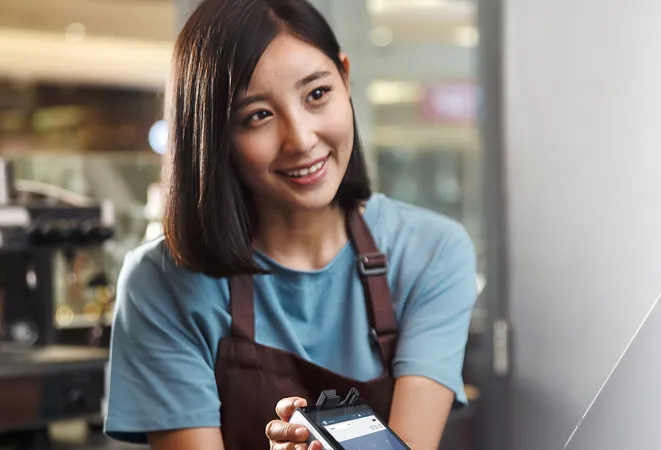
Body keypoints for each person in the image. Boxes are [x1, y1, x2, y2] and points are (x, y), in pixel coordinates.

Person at [103, 0, 478, 449]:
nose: (300, 140)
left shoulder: (431, 252)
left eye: (317, 94)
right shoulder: (161, 282)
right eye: (258, 115)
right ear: (214, 135)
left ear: (345, 77)